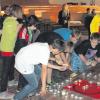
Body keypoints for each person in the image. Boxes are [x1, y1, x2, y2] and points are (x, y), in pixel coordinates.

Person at [0, 4, 23, 99]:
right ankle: (2, 92)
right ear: (17, 12)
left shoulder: (8, 20)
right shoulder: (13, 23)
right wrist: (19, 27)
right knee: (4, 71)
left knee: (8, 67)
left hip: (6, 48)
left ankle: (10, 82)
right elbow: (13, 36)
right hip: (7, 49)